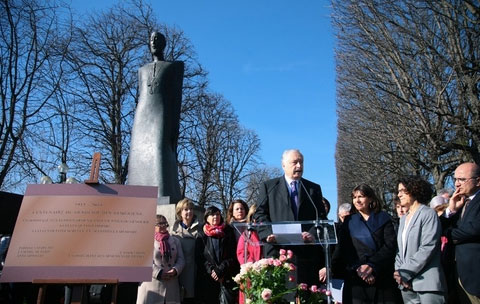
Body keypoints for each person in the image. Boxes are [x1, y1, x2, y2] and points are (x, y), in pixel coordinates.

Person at [253, 149, 327, 286]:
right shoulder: (269, 187)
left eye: (301, 162)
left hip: (306, 255)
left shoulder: (313, 188)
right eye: (295, 162)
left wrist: (312, 234)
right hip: (278, 253)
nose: (299, 166)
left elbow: (321, 216)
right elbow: (260, 214)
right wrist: (268, 233)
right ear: (284, 165)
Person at [128, 31, 184, 204]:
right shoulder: (141, 70)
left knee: (159, 150)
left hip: (161, 114)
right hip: (142, 114)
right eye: (151, 39)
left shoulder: (174, 66)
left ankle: (163, 194)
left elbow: (176, 97)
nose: (154, 42)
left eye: (157, 39)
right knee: (138, 151)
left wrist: (174, 127)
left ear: (164, 43)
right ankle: (136, 194)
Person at [326, 184, 401, 304]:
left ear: (370, 198)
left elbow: (390, 245)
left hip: (381, 275)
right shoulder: (349, 222)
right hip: (356, 278)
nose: (357, 200)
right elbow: (345, 249)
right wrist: (359, 269)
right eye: (354, 197)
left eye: (361, 196)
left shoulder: (384, 218)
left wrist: (372, 266)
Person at [394, 176, 446, 303]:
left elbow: (428, 247)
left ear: (414, 189)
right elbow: (400, 250)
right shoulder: (403, 219)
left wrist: (405, 273)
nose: (399, 194)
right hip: (406, 284)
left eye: (402, 190)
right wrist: (399, 272)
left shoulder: (428, 214)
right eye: (398, 191)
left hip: (427, 283)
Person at [443, 162, 480, 303]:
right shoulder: (461, 202)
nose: (457, 184)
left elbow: (474, 229)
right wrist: (451, 210)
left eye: (462, 179)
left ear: (478, 181)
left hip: (475, 275)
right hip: (458, 274)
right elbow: (438, 227)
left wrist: (448, 235)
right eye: (455, 179)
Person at [137, 215, 185, 304]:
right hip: (152, 286)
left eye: (165, 224)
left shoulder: (175, 241)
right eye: (160, 224)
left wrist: (175, 270)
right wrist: (158, 273)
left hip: (171, 286)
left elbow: (181, 259)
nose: (163, 226)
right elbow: (143, 261)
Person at [195, 206, 239, 304]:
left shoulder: (228, 232)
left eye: (218, 214)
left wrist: (221, 269)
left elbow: (233, 254)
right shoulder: (202, 234)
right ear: (207, 217)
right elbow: (199, 257)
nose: (215, 217)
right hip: (208, 278)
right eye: (212, 214)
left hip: (226, 276)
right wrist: (212, 270)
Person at [171, 198, 201, 304]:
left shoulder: (201, 229)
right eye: (186, 209)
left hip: (197, 273)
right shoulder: (173, 231)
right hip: (179, 273)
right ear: (180, 212)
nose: (189, 212)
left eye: (191, 209)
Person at [237, 204, 262, 304]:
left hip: (265, 273)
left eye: (259, 217)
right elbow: (241, 253)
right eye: (253, 217)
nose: (256, 220)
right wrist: (252, 265)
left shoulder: (268, 234)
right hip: (250, 275)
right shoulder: (246, 235)